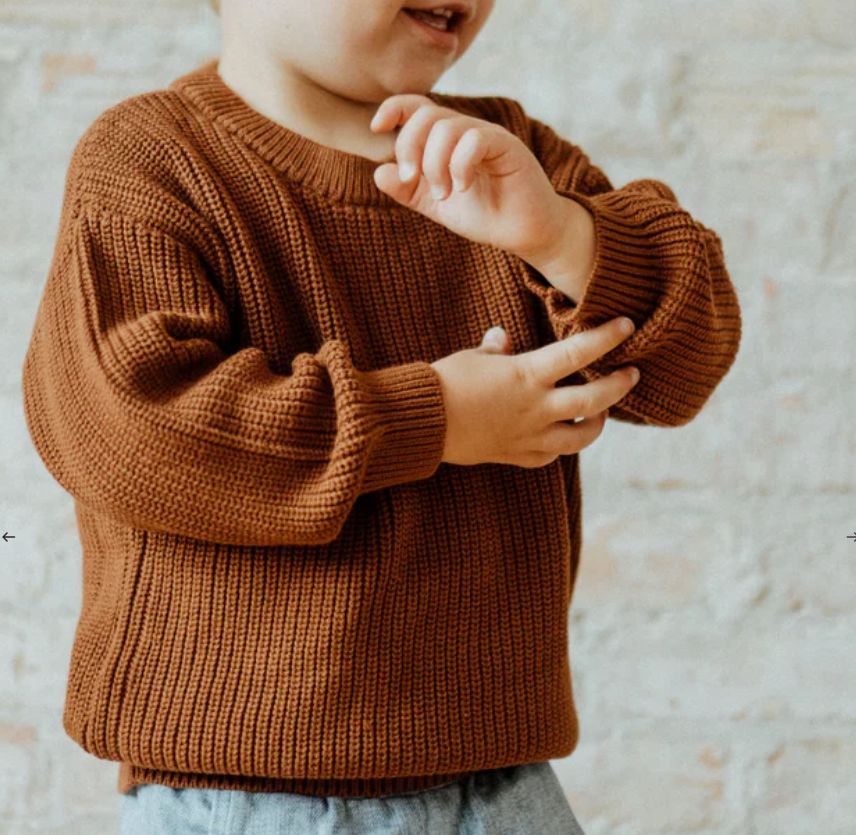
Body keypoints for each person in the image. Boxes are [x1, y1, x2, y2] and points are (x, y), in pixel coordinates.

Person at [20, 0, 742, 832]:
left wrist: (565, 239)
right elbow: (133, 428)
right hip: (253, 788)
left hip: (500, 775)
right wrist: (433, 419)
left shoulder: (511, 161)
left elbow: (687, 364)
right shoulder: (153, 161)